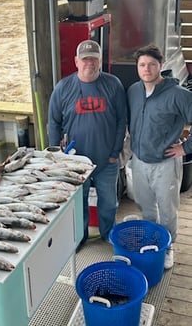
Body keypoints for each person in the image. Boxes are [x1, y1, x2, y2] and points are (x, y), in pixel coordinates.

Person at [48, 40, 127, 248]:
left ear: (100, 61)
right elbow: (53, 123)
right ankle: (79, 238)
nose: (89, 63)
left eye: (94, 59)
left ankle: (107, 234)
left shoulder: (113, 84)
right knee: (78, 205)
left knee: (109, 203)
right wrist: (56, 156)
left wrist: (115, 151)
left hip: (106, 161)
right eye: (85, 59)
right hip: (76, 163)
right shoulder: (63, 88)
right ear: (76, 61)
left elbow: (122, 120)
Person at [127, 43, 192, 269]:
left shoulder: (178, 95)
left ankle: (168, 246)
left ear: (161, 66)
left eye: (151, 64)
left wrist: (185, 148)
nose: (147, 69)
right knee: (146, 206)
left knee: (168, 210)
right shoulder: (134, 90)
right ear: (137, 67)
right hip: (139, 161)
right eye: (142, 65)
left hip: (166, 164)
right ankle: (150, 240)